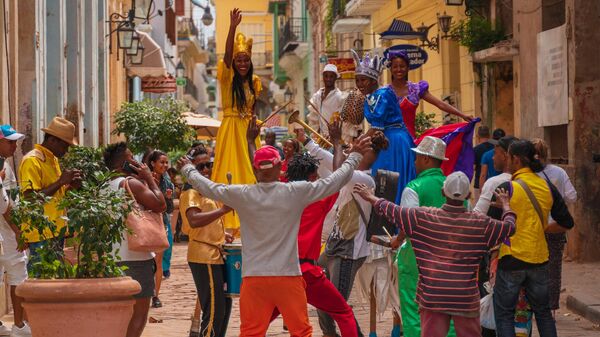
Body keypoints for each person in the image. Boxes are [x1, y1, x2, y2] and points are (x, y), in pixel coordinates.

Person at [177, 116, 372, 337]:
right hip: (288, 277)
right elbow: (335, 180)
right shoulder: (295, 193)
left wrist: (189, 170)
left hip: (254, 279)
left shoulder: (242, 194)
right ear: (280, 166)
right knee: (301, 332)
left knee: (251, 332)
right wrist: (354, 155)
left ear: (254, 169)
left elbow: (210, 187)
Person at [354, 171, 516, 337]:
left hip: (432, 295)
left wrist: (370, 197)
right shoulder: (481, 224)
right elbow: (510, 228)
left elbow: (393, 210)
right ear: (468, 195)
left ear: (443, 192)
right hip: (465, 298)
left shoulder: (424, 217)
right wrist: (506, 206)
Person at [301, 120, 388, 337]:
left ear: (367, 152)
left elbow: (340, 171)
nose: (351, 149)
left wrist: (338, 141)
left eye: (356, 147)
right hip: (333, 248)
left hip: (349, 253)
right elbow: (328, 160)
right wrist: (306, 140)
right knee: (325, 305)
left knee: (334, 307)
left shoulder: (366, 180)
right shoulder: (351, 171)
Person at [386, 136, 457, 337]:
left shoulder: (413, 187)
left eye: (417, 157)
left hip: (417, 259)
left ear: (426, 159)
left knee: (414, 312)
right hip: (451, 258)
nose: (415, 162)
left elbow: (408, 225)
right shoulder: (454, 186)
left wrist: (397, 240)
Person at [493, 140, 561, 337]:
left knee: (505, 314)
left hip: (512, 257)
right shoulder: (546, 186)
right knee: (543, 313)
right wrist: (541, 228)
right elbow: (566, 221)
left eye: (508, 156)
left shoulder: (507, 188)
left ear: (515, 159)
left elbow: (495, 225)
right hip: (539, 257)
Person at [104, 142, 166, 337]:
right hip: (136, 258)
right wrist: (149, 178)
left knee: (118, 315)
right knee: (139, 314)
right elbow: (160, 204)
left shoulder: (103, 186)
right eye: (131, 158)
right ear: (124, 164)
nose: (136, 161)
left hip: (112, 257)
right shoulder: (130, 184)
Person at [212, 8, 262, 236]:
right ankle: (229, 222)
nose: (242, 63)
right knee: (230, 171)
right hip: (231, 129)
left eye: (246, 60)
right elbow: (226, 56)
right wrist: (232, 27)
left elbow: (254, 109)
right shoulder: (227, 77)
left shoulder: (255, 82)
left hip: (249, 131)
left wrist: (256, 124)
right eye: (239, 59)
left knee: (254, 172)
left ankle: (252, 219)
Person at [180, 145, 233, 337]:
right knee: (214, 310)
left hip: (214, 253)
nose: (205, 170)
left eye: (208, 165)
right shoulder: (191, 191)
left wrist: (221, 233)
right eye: (200, 167)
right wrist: (221, 211)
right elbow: (193, 220)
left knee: (224, 306)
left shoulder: (207, 189)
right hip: (204, 255)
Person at [350, 50, 415, 204]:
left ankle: (394, 219)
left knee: (389, 182)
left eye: (363, 80)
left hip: (394, 141)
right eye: (357, 80)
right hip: (383, 139)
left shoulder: (383, 94)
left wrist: (357, 145)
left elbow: (377, 127)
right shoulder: (370, 96)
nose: (360, 84)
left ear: (373, 80)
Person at [18, 117, 81, 272]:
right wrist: (60, 182)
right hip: (41, 234)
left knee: (53, 281)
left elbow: (54, 197)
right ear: (53, 140)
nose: (66, 151)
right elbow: (30, 198)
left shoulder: (52, 159)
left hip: (55, 231)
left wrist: (71, 187)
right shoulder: (32, 160)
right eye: (65, 146)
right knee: (40, 281)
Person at [531, 138, 577, 313]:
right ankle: (551, 310)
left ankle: (535, 306)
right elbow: (572, 196)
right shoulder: (558, 172)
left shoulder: (527, 174)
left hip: (534, 227)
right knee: (554, 269)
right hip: (556, 227)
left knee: (534, 267)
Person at [385, 50, 472, 139]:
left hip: (409, 140)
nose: (399, 69)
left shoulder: (416, 89)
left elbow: (440, 104)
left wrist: (463, 115)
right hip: (388, 141)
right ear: (390, 69)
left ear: (408, 68)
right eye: (395, 67)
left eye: (402, 66)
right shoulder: (384, 92)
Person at [0, 125, 31, 336]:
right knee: (18, 274)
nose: (15, 145)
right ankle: (19, 325)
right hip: (8, 231)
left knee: (17, 274)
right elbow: (4, 205)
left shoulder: (5, 165)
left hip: (7, 231)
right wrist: (18, 230)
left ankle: (17, 325)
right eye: (10, 141)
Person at [145, 150, 175, 308]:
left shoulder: (167, 182)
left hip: (161, 224)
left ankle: (156, 295)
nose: (164, 165)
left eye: (166, 162)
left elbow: (169, 209)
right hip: (145, 224)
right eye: (161, 162)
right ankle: (145, 293)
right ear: (152, 163)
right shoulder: (143, 179)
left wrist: (168, 199)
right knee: (146, 261)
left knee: (158, 261)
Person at [308, 64, 346, 139]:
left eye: (331, 76)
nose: (328, 79)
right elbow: (314, 119)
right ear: (323, 77)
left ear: (335, 78)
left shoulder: (340, 97)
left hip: (334, 139)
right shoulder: (317, 96)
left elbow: (343, 120)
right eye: (326, 76)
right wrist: (316, 135)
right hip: (321, 139)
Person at [473, 126, 494, 201]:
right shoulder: (495, 148)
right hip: (493, 183)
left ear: (478, 136)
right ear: (489, 135)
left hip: (479, 183)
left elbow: (474, 167)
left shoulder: (475, 150)